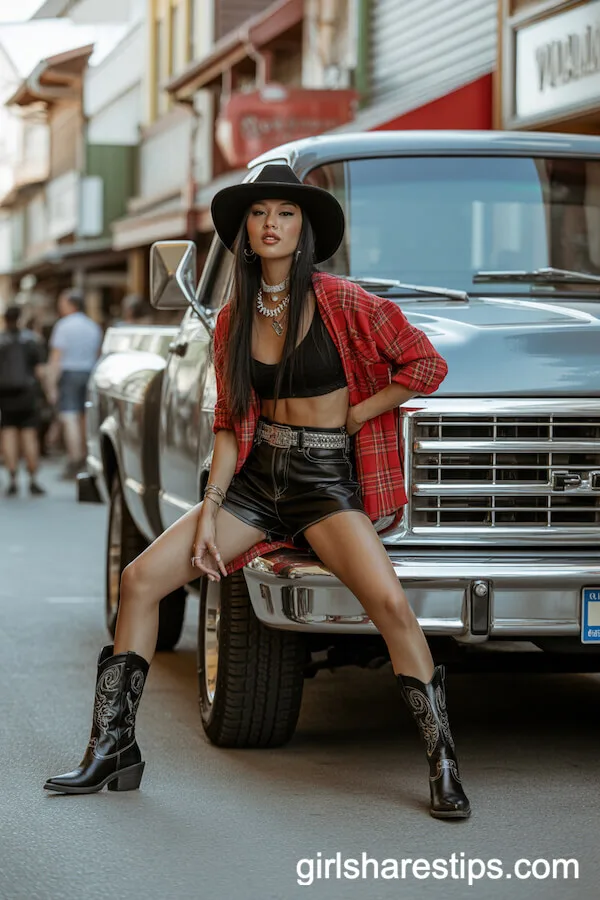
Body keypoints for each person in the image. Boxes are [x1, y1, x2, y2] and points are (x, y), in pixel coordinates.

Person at [44, 165, 470, 820]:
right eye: (260, 213)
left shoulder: (344, 301)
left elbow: (426, 365)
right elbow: (227, 426)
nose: (272, 224)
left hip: (324, 481)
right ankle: (114, 747)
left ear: (304, 230)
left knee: (389, 602)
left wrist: (360, 413)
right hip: (256, 480)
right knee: (138, 581)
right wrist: (210, 514)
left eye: (286, 214)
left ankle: (442, 760)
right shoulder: (234, 316)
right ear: (245, 229)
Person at [46, 289, 102, 480]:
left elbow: (56, 358)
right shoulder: (93, 326)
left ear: (71, 305)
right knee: (85, 417)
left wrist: (51, 385)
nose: (60, 306)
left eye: (62, 303)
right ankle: (88, 458)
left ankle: (75, 459)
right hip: (89, 372)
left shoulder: (63, 326)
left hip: (69, 374)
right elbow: (97, 354)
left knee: (69, 417)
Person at [0, 305, 47, 496]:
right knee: (30, 436)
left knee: (9, 433)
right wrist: (46, 394)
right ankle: (33, 479)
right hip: (28, 394)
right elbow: (40, 371)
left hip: (4, 395)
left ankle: (12, 479)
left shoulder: (1, 340)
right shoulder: (31, 340)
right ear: (20, 317)